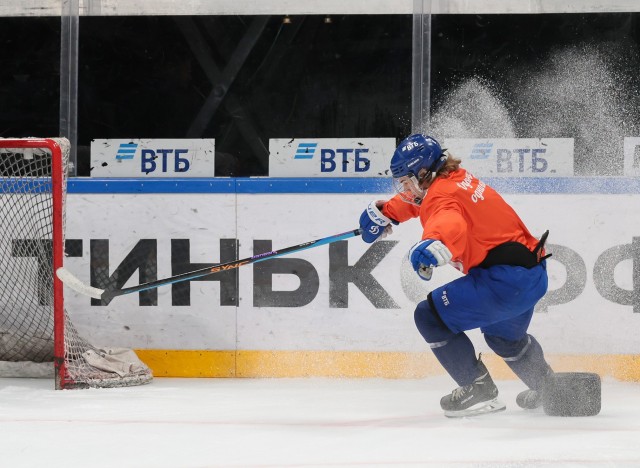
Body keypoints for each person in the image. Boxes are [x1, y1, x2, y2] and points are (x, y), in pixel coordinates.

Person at [358, 134, 553, 418]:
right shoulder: (456, 178)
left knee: (429, 317)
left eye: (407, 181)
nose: (405, 188)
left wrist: (434, 242)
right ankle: (548, 387)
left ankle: (479, 390)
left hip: (503, 283)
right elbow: (424, 204)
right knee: (503, 337)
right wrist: (387, 212)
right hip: (531, 275)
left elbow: (448, 221)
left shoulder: (441, 197)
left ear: (423, 173)